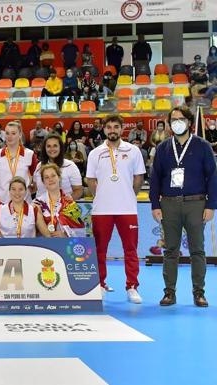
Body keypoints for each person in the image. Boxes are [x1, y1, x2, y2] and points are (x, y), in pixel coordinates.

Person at [150, 107, 216, 307]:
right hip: (169, 204)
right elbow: (155, 178)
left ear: (189, 122)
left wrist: (211, 205)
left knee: (197, 250)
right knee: (170, 250)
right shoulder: (163, 148)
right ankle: (169, 292)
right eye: (174, 119)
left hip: (196, 203)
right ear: (170, 124)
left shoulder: (202, 146)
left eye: (181, 119)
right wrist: (155, 204)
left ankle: (199, 292)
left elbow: (212, 177)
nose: (177, 122)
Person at [86, 114, 145, 303]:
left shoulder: (134, 150)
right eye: (109, 127)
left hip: (127, 209)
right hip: (101, 209)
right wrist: (102, 195)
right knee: (100, 249)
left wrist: (128, 194)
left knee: (131, 249)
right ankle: (100, 284)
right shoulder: (95, 153)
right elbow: (90, 180)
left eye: (116, 127)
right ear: (104, 129)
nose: (112, 130)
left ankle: (132, 286)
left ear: (122, 129)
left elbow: (138, 178)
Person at [0, 121, 38, 204]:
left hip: (24, 202)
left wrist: (33, 185)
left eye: (13, 133)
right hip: (2, 202)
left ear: (20, 135)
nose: (9, 136)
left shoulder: (29, 154)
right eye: (7, 133)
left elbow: (36, 177)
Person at [34, 163, 86, 237]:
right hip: (43, 246)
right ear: (43, 182)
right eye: (46, 177)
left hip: (66, 246)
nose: (50, 179)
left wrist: (66, 234)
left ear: (59, 177)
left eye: (53, 176)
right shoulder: (37, 203)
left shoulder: (69, 202)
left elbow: (81, 232)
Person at [33, 133, 83, 200]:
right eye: (48, 146)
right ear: (45, 149)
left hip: (63, 208)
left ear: (60, 147)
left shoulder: (70, 166)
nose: (52, 149)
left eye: (55, 146)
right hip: (41, 208)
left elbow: (78, 190)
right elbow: (35, 188)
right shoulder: (39, 166)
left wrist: (64, 203)